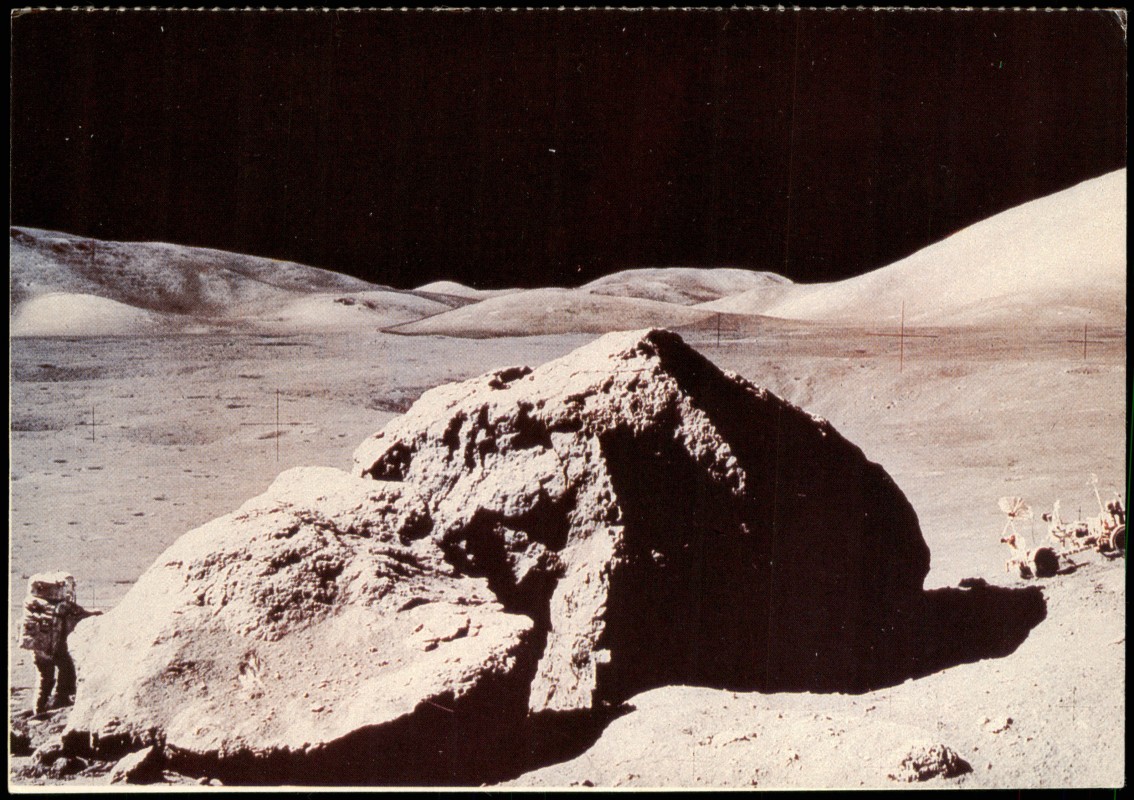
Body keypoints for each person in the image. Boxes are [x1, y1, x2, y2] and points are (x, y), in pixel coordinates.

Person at [19, 572, 102, 715]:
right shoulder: (63, 606)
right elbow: (81, 614)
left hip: (38, 649)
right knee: (68, 670)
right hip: (55, 648)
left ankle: (38, 709)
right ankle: (60, 698)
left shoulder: (33, 603)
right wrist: (96, 613)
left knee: (44, 678)